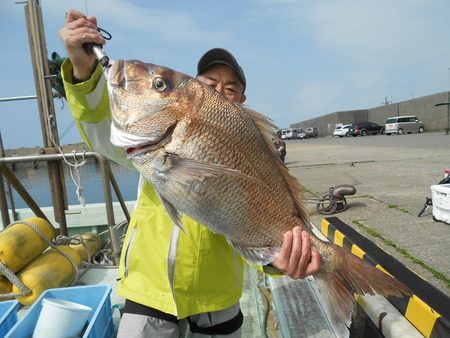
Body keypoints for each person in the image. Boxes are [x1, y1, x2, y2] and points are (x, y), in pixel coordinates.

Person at [59, 9, 320, 337]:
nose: (222, 90)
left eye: (231, 87)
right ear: (195, 88)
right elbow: (99, 131)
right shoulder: (152, 140)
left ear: (241, 98)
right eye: (211, 83)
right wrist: (83, 69)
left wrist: (276, 260)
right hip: (147, 296)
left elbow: (258, 219)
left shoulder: (253, 149)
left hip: (218, 303)